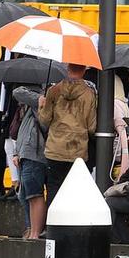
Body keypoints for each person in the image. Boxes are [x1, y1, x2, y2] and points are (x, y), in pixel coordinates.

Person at [38, 63, 96, 206]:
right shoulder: (89, 94)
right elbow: (91, 127)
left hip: (55, 150)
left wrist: (41, 105)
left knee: (54, 188)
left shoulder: (54, 90)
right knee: (75, 192)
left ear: (68, 69)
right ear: (83, 70)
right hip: (78, 151)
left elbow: (44, 120)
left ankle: (52, 226)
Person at [12, 85, 46, 239]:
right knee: (24, 194)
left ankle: (35, 232)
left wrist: (37, 98)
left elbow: (17, 92)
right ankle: (31, 229)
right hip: (25, 153)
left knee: (34, 194)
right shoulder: (28, 107)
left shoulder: (41, 102)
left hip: (34, 154)